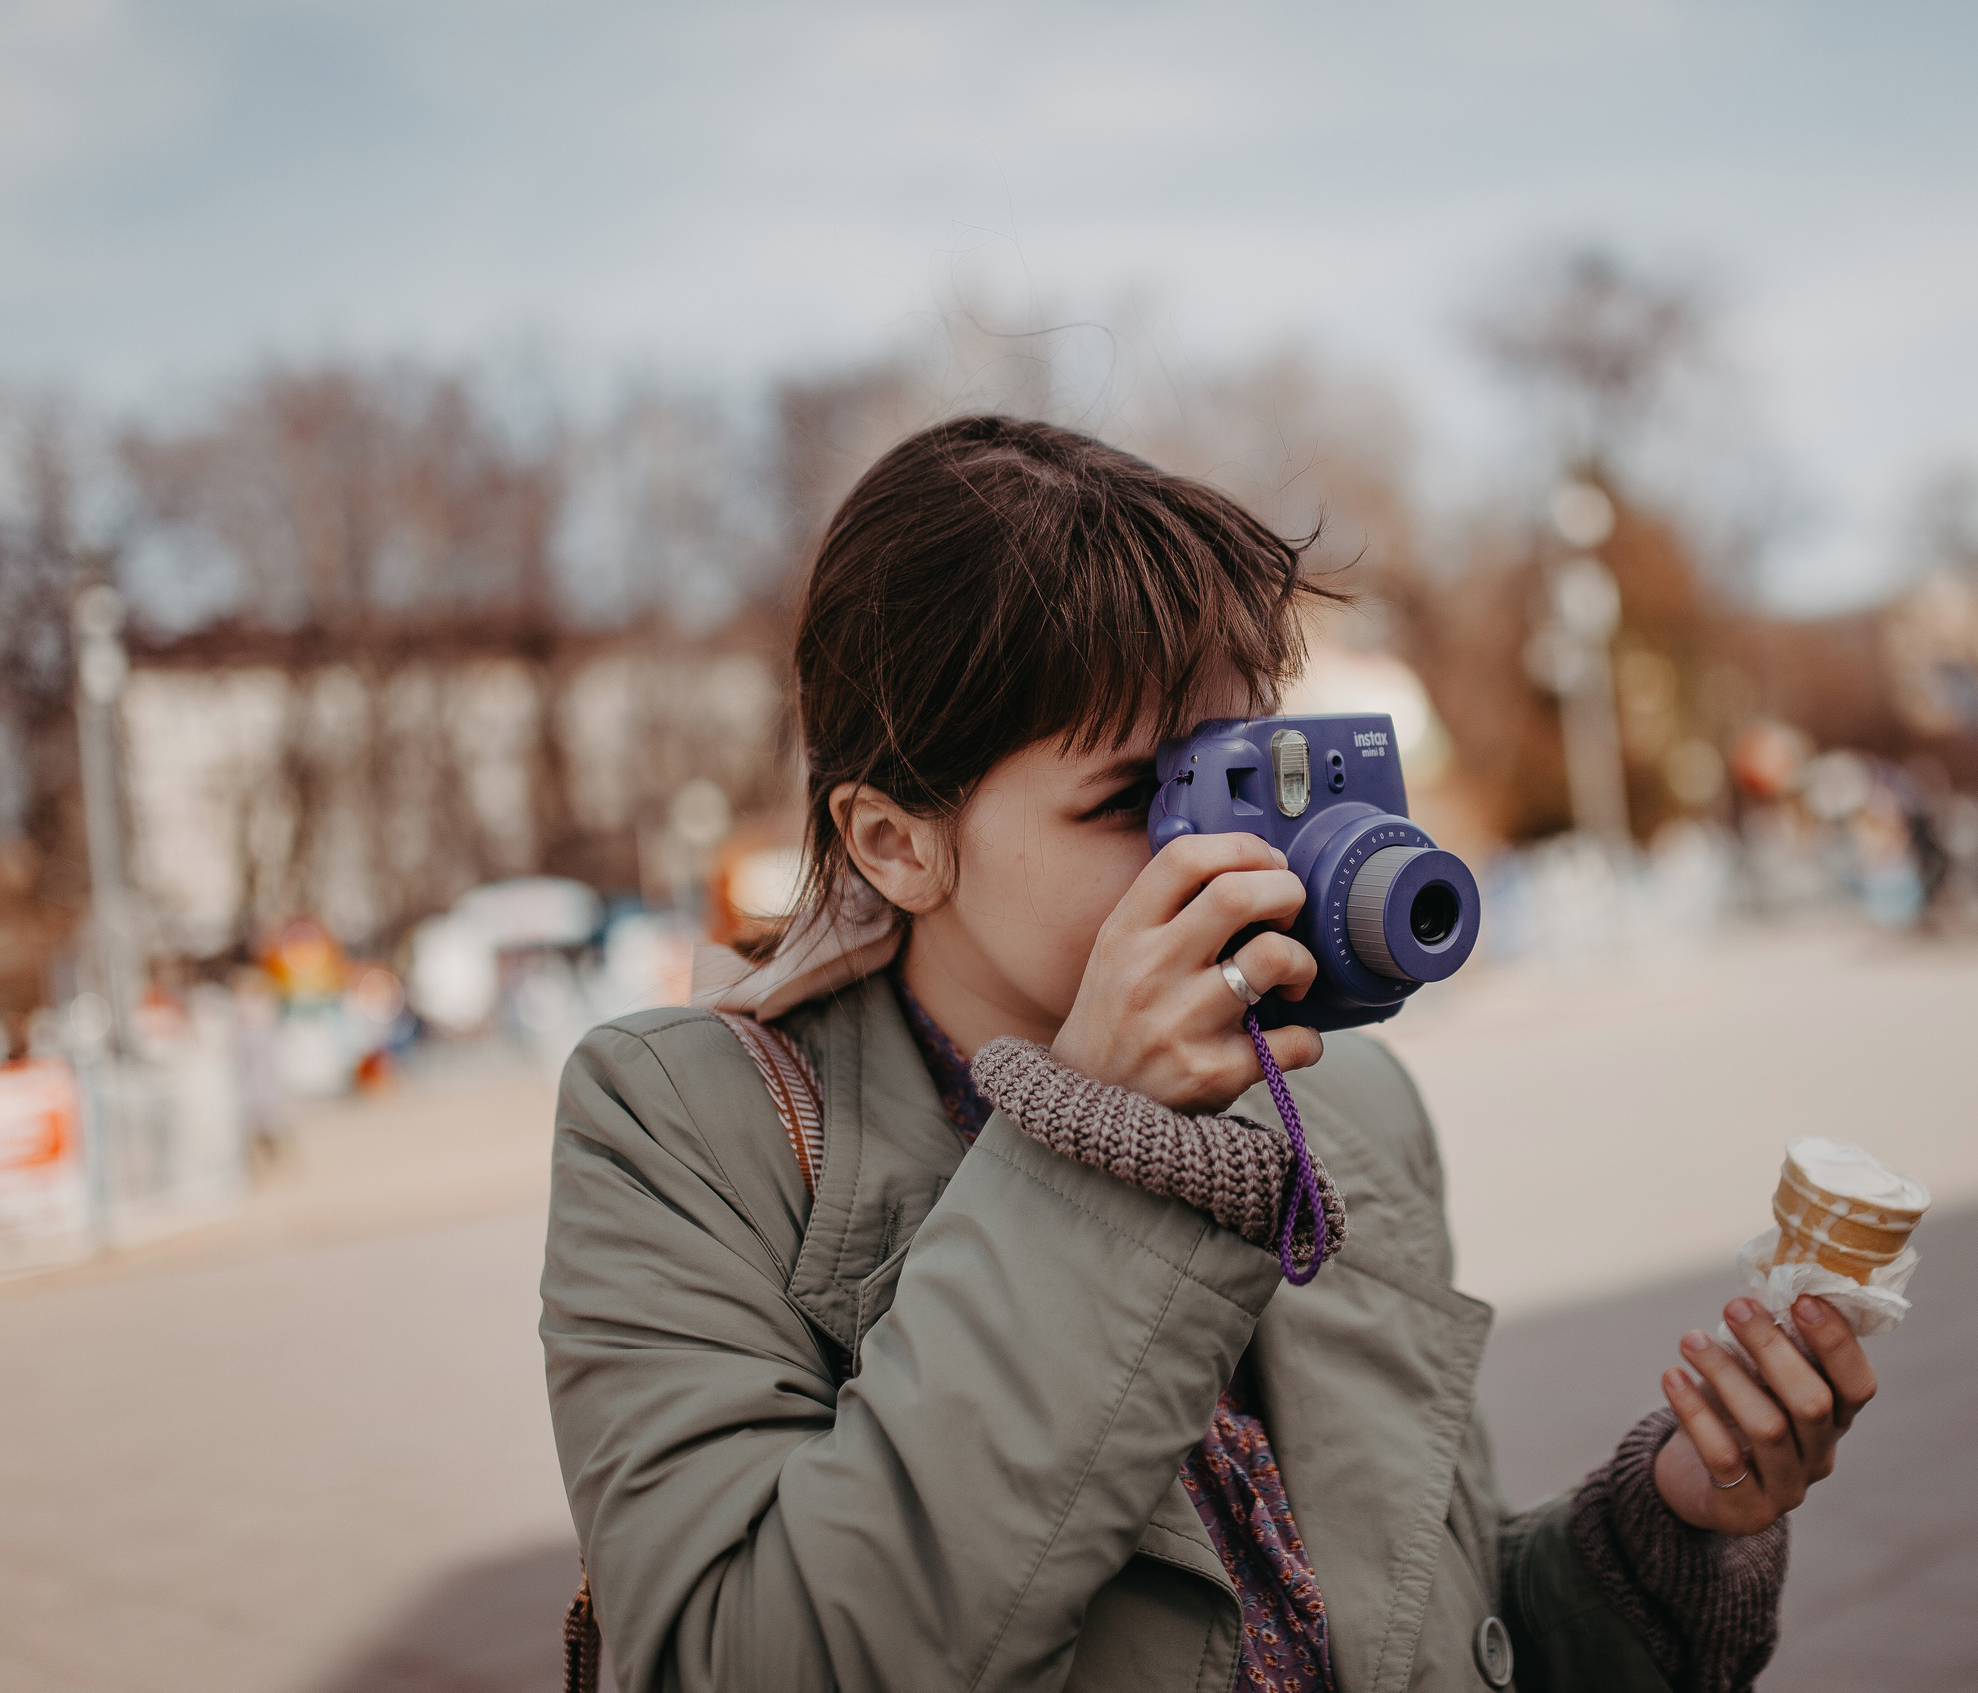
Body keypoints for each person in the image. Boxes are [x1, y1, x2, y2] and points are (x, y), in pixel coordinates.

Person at [540, 416, 1879, 1692]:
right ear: (896, 839)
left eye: (1241, 767)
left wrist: (1667, 1532)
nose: (1229, 856)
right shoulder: (679, 1124)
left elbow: (1403, 1629)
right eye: (1137, 799)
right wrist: (1100, 1156)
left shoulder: (1338, 1098)